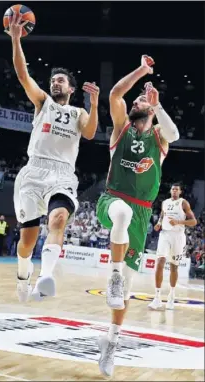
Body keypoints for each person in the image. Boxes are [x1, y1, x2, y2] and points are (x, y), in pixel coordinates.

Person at [95, 55, 180, 377]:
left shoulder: (158, 135)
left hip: (143, 213)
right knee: (121, 215)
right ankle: (114, 275)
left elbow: (173, 134)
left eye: (142, 98)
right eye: (138, 99)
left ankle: (111, 344)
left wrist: (158, 106)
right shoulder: (122, 127)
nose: (137, 100)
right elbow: (116, 94)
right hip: (114, 198)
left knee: (124, 295)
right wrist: (143, 71)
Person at [5, 13, 100, 302]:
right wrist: (16, 40)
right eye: (53, 80)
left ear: (71, 89)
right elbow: (23, 75)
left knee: (58, 219)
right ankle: (24, 274)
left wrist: (94, 103)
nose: (55, 83)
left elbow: (90, 134)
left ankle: (46, 276)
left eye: (61, 81)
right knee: (27, 241)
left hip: (62, 173)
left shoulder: (79, 113)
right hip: (33, 172)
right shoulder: (43, 102)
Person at [149, 184, 196, 310]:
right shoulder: (165, 202)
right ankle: (157, 297)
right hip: (165, 235)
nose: (174, 191)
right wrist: (159, 224)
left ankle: (171, 296)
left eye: (177, 189)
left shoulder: (183, 203)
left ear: (180, 192)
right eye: (173, 189)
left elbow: (193, 221)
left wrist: (179, 222)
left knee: (173, 267)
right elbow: (162, 216)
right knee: (159, 262)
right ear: (170, 191)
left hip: (178, 236)